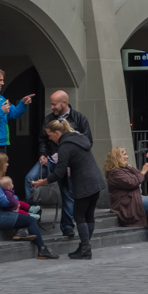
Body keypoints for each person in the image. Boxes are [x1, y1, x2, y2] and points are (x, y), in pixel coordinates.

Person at [32, 119, 106, 260]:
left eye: (50, 135)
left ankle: (85, 249)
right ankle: (85, 246)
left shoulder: (65, 146)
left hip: (84, 183)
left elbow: (59, 172)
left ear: (57, 132)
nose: (49, 138)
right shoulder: (79, 139)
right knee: (89, 215)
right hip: (96, 180)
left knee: (78, 216)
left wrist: (43, 181)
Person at [26, 90, 92, 239]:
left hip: (68, 162)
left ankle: (67, 225)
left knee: (67, 192)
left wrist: (73, 158)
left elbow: (87, 141)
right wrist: (42, 154)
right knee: (30, 178)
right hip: (50, 158)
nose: (52, 107)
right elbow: (43, 139)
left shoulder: (80, 118)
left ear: (64, 103)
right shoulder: (49, 119)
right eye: (51, 104)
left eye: (54, 104)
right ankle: (33, 214)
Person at [0, 152, 57, 259]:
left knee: (24, 217)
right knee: (30, 220)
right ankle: (42, 249)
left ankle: (21, 231)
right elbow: (5, 201)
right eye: (5, 162)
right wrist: (16, 199)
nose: (7, 164)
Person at [104, 147, 148, 244]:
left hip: (136, 197)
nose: (127, 157)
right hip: (126, 202)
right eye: (124, 154)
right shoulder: (115, 173)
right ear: (117, 158)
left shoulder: (127, 169)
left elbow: (143, 177)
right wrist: (142, 171)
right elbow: (132, 182)